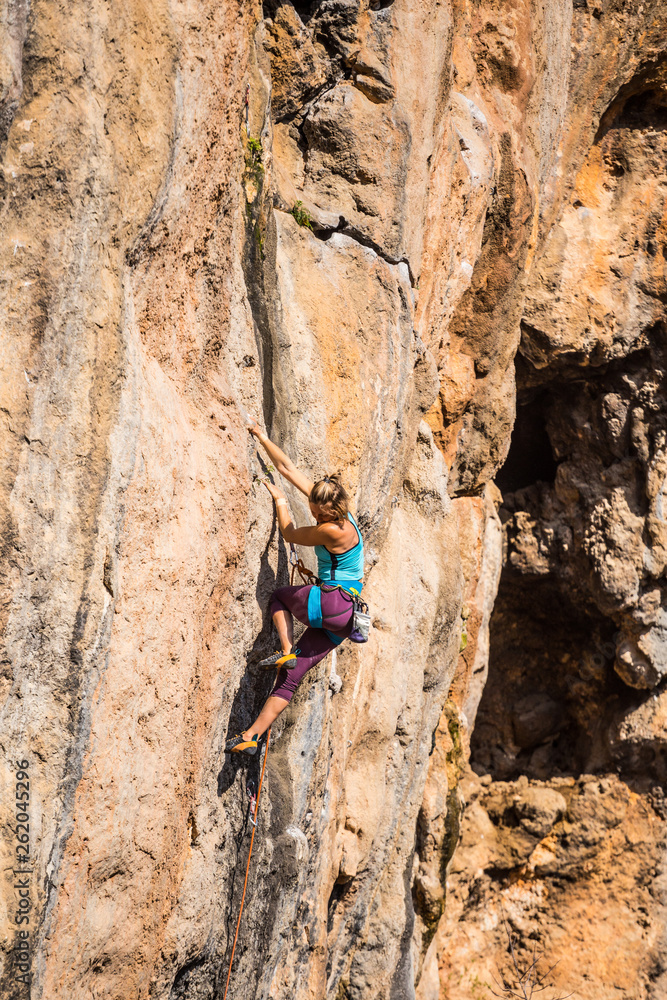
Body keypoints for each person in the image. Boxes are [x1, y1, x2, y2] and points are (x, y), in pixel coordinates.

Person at [225, 419, 364, 755]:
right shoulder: (347, 518)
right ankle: (251, 736)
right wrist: (262, 435)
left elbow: (288, 533)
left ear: (328, 511)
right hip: (347, 617)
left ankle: (287, 649)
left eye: (316, 512)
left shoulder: (331, 530)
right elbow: (288, 468)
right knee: (291, 678)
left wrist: (280, 501)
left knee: (278, 598)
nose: (313, 515)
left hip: (332, 601)